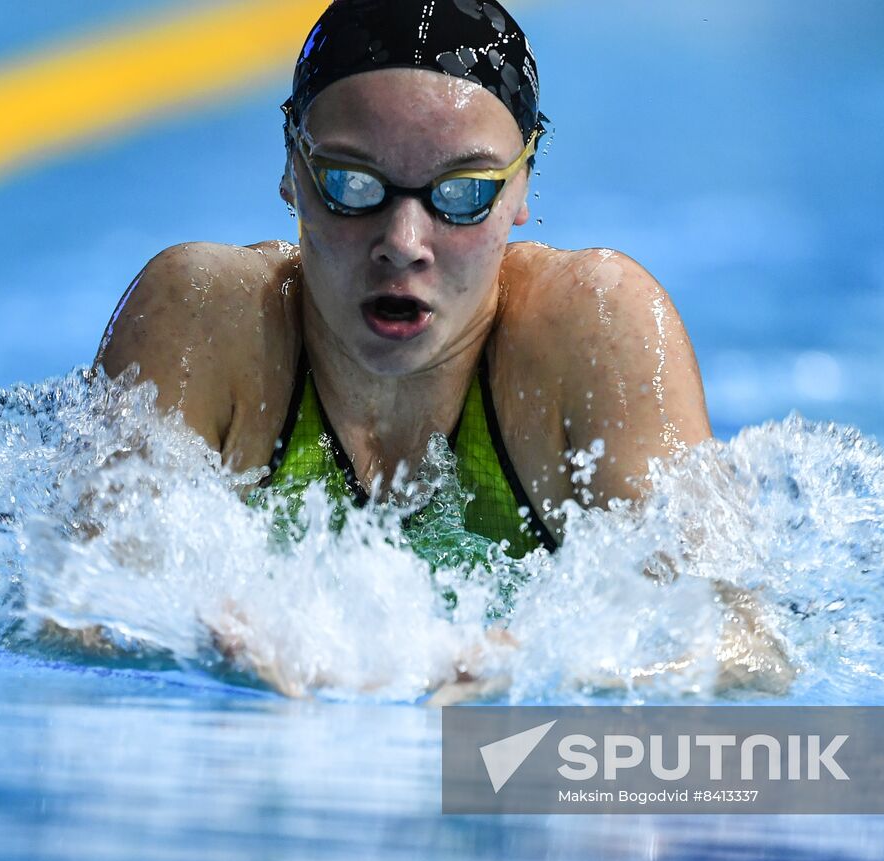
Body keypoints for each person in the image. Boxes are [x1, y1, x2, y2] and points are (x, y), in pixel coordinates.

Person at [93, 0, 789, 697]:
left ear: (522, 184)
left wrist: (552, 671)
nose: (402, 242)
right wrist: (193, 639)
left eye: (462, 193)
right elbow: (64, 598)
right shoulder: (204, 322)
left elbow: (744, 646)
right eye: (349, 183)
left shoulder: (597, 329)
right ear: (291, 167)